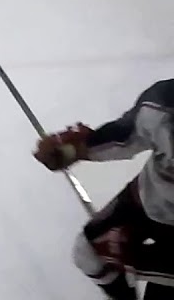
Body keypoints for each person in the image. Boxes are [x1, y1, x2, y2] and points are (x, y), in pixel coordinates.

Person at [34, 80, 174, 300]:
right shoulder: (162, 105)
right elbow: (124, 135)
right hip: (149, 199)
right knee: (89, 253)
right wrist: (73, 150)